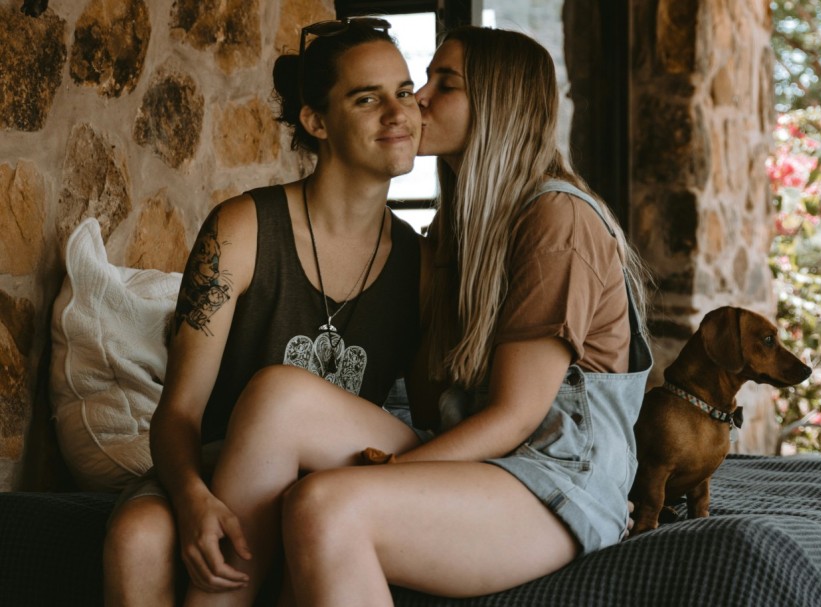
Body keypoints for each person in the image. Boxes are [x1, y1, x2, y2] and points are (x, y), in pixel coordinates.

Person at [185, 25, 654, 607]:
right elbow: (433, 405)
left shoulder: (557, 220)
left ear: (496, 102)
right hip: (478, 457)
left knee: (325, 503)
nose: (418, 100)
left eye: (442, 84)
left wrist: (376, 475)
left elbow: (512, 418)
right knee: (277, 394)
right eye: (422, 81)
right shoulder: (457, 234)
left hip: (554, 475)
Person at [102, 18, 425, 606]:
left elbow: (432, 416)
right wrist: (196, 499)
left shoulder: (421, 264)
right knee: (136, 536)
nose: (397, 113)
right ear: (316, 122)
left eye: (404, 92)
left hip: (335, 480)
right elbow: (179, 412)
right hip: (223, 467)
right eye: (367, 97)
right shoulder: (241, 230)